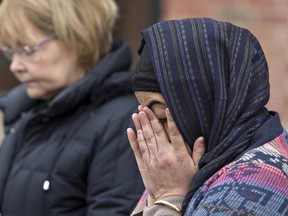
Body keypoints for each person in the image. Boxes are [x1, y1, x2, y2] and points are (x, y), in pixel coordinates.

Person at [127, 18, 288, 216]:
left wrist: (170, 198)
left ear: (208, 104)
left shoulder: (258, 179)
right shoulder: (193, 163)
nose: (149, 131)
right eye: (142, 112)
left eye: (161, 116)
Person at [0, 0, 144, 215]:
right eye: (11, 53)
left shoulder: (123, 121)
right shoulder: (25, 113)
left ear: (79, 39)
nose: (15, 66)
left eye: (28, 50)